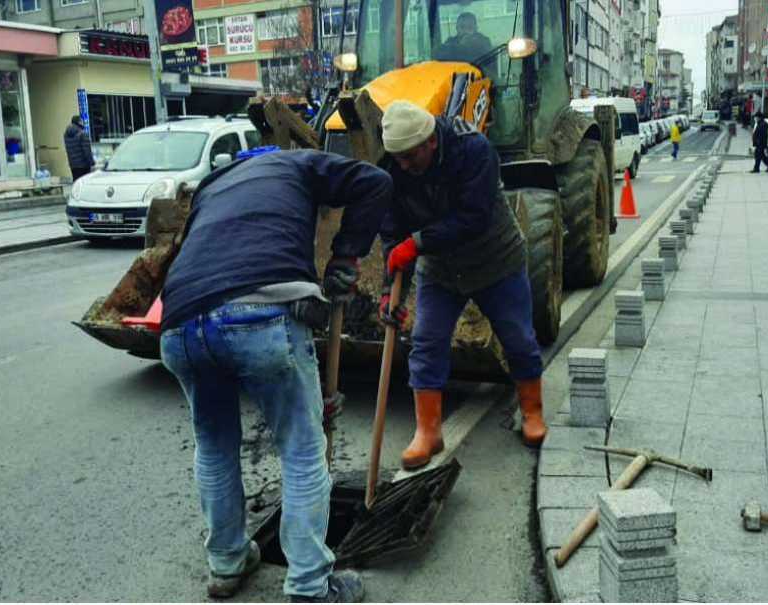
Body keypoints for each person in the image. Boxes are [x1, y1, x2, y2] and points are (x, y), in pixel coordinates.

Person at [159, 148, 392, 602]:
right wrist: (345, 255)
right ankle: (309, 586)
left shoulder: (214, 184)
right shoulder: (300, 163)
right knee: (303, 450)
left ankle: (227, 563)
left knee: (213, 445)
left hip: (181, 322)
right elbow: (375, 182)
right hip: (260, 314)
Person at [377, 100, 547, 471]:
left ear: (430, 143)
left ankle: (532, 411)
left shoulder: (473, 150)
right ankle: (428, 431)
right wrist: (392, 292)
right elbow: (392, 234)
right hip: (440, 270)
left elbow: (473, 217)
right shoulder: (393, 165)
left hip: (495, 260)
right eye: (398, 159)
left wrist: (416, 244)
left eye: (409, 157)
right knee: (427, 341)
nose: (403, 166)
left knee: (517, 336)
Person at [63, 115, 95, 181]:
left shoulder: (66, 135)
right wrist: (92, 163)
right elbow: (87, 151)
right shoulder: (82, 134)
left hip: (73, 165)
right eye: (82, 121)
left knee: (76, 183)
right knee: (84, 184)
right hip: (83, 166)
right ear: (79, 122)